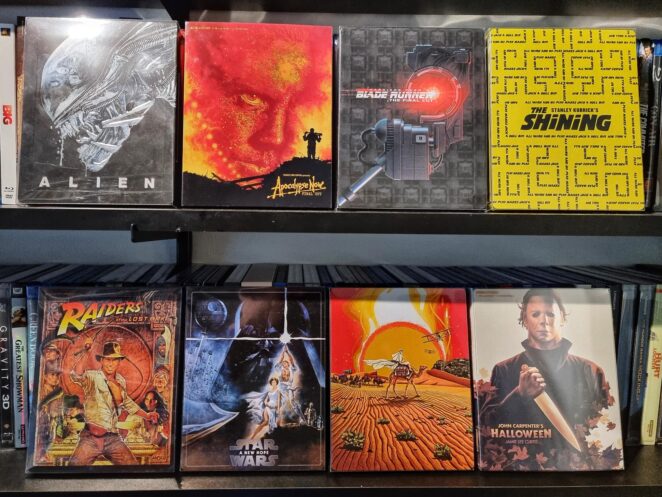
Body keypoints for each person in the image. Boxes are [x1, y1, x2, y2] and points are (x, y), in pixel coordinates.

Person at [478, 289, 612, 465]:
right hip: (521, 468)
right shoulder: (503, 370)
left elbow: (604, 429)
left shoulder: (590, 371)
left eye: (550, 314)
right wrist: (519, 395)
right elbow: (488, 430)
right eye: (536, 314)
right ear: (525, 319)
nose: (544, 321)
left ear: (562, 317)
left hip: (578, 468)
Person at [68, 341, 159, 465]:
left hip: (113, 438)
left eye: (115, 360)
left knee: (132, 467)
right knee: (74, 468)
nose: (111, 364)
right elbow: (76, 375)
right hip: (90, 438)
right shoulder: (92, 377)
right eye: (108, 360)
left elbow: (127, 402)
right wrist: (85, 351)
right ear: (102, 360)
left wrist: (147, 415)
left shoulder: (120, 381)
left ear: (119, 361)